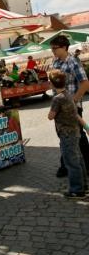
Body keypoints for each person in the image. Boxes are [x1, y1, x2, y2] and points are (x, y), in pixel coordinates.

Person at [50, 34, 89, 176]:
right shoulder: (56, 62)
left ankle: (85, 165)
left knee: (79, 137)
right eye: (52, 48)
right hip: (59, 108)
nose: (53, 50)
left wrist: (73, 101)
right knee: (63, 136)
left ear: (64, 47)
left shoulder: (72, 61)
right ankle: (66, 165)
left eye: (55, 48)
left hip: (72, 107)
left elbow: (85, 83)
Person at [48, 69, 88, 198]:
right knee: (79, 159)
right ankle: (84, 185)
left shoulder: (57, 99)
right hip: (75, 131)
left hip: (66, 134)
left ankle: (77, 190)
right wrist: (86, 126)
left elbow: (51, 116)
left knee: (71, 162)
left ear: (52, 84)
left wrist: (50, 113)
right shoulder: (69, 95)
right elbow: (75, 114)